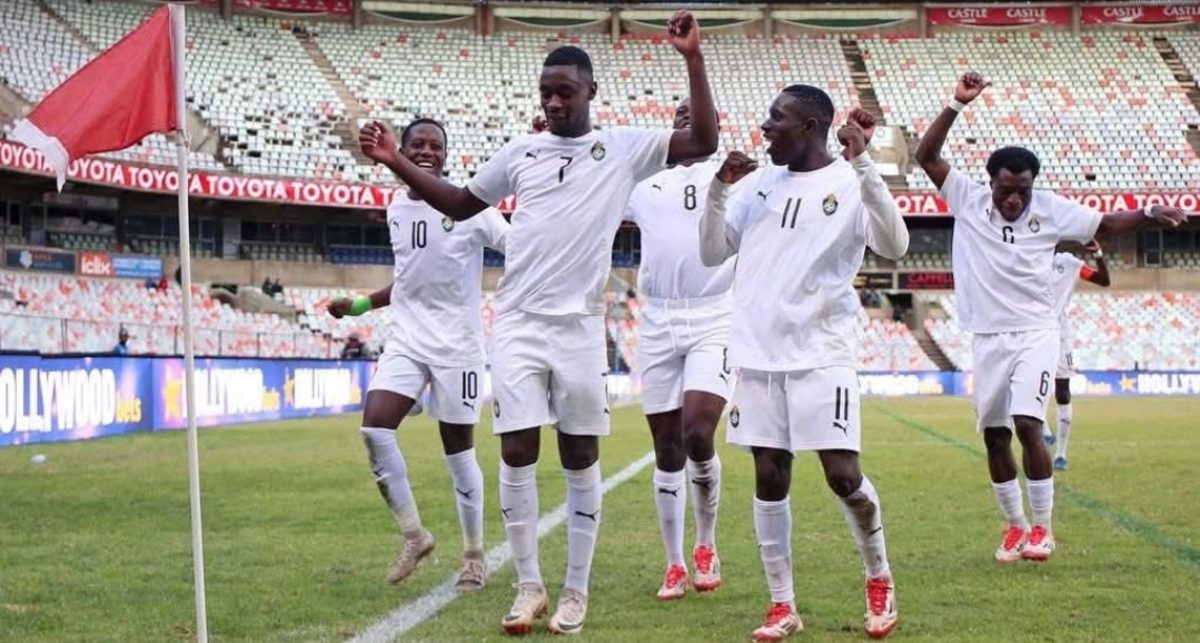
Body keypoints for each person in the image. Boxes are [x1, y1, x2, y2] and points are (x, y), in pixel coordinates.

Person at [359, 10, 717, 635]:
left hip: (579, 326)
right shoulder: (521, 152)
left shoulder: (623, 148)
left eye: (565, 92)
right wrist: (396, 161)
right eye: (546, 93)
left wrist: (692, 58)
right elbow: (458, 202)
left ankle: (576, 590)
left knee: (580, 456)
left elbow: (703, 143)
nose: (553, 103)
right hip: (518, 322)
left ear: (590, 92)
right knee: (516, 451)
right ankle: (529, 586)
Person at [914, 71, 1185, 564]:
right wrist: (956, 104)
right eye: (1006, 190)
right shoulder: (967, 198)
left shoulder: (1051, 210)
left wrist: (1148, 211)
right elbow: (927, 157)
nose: (1014, 200)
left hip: (1037, 333)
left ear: (1032, 186)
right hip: (986, 336)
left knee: (1027, 422)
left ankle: (1043, 527)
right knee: (995, 436)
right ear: (991, 183)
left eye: (1022, 190)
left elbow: (1107, 224)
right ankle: (1014, 526)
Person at [700, 91, 908, 641]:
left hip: (821, 354)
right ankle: (782, 604)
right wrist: (719, 189)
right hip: (757, 356)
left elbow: (895, 244)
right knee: (769, 475)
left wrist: (865, 163)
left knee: (843, 475)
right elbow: (712, 252)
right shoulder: (760, 184)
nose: (765, 127)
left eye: (777, 118)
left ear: (810, 127)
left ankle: (879, 575)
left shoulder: (849, 180)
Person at [330, 117, 509, 592]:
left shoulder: (471, 206)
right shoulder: (396, 208)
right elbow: (409, 279)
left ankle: (474, 554)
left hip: (459, 346)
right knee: (375, 427)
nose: (427, 151)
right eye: (418, 145)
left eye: (435, 146)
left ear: (446, 156)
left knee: (458, 452)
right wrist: (361, 305)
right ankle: (414, 535)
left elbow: (516, 244)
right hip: (408, 339)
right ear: (403, 150)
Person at [623, 98, 731, 601]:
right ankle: (673, 563)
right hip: (658, 317)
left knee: (697, 431)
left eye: (697, 115)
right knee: (666, 446)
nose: (687, 119)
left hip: (715, 314)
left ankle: (706, 542)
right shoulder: (645, 185)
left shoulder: (734, 178)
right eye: (679, 116)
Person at [1043, 239, 1110, 470]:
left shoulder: (1068, 263)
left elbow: (1103, 281)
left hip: (1061, 335)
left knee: (1062, 391)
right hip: (1033, 332)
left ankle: (1060, 454)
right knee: (1027, 384)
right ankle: (1043, 427)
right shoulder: (1025, 258)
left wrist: (1098, 254)